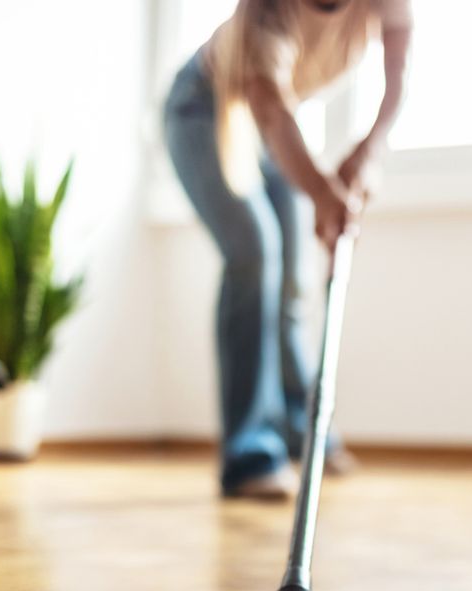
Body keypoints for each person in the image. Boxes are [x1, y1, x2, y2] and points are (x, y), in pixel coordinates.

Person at [163, 0, 412, 499]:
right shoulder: (264, 11)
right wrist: (323, 194)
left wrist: (368, 152)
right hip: (205, 106)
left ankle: (306, 436)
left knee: (292, 278)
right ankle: (250, 455)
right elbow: (271, 109)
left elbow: (397, 77)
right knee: (254, 254)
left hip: (270, 121)